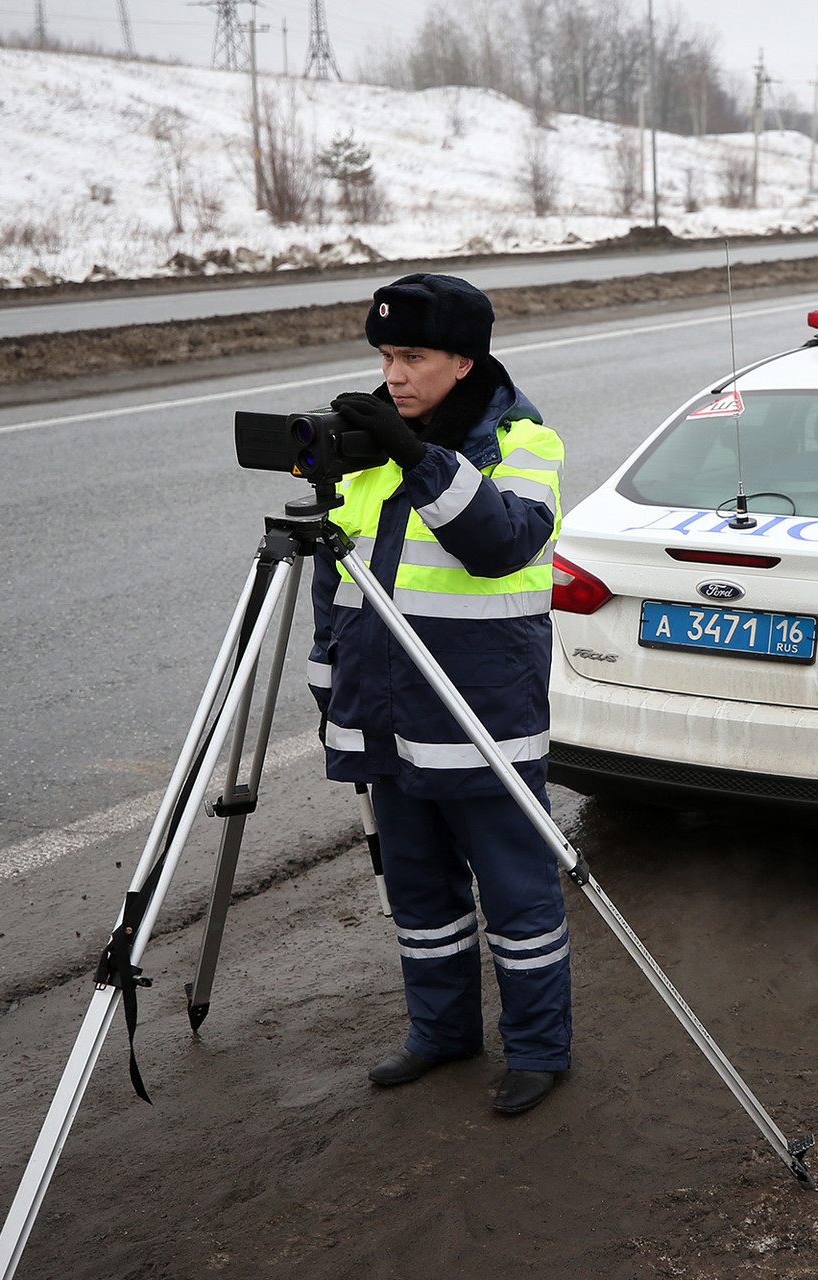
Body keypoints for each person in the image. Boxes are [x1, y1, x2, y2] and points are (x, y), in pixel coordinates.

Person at [306, 273, 569, 1115]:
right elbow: (333, 585)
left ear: (464, 360)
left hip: (481, 719)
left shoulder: (522, 442)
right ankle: (441, 1032)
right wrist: (331, 694)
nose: (394, 374)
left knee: (517, 896)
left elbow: (504, 543)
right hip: (388, 716)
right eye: (386, 356)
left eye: (412, 356)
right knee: (418, 895)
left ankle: (538, 1050)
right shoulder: (376, 448)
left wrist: (419, 458)